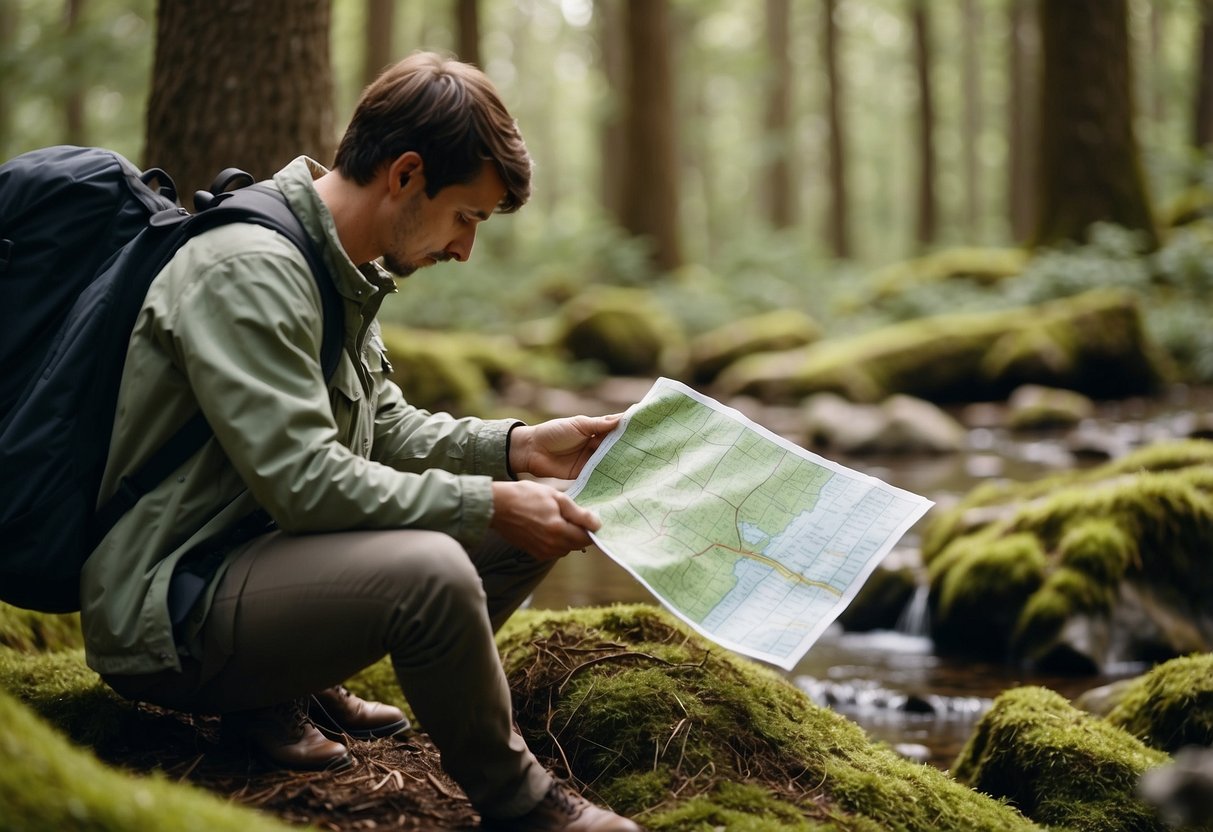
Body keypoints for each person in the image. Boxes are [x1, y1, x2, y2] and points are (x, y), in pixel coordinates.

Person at [85, 51, 642, 832]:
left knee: (536, 524)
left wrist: (519, 450)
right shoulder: (250, 269)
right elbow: (306, 484)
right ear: (406, 174)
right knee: (435, 567)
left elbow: (381, 427)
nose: (462, 249)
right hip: (173, 608)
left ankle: (282, 689)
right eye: (466, 217)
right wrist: (488, 500)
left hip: (256, 567)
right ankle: (522, 802)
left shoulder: (335, 264)